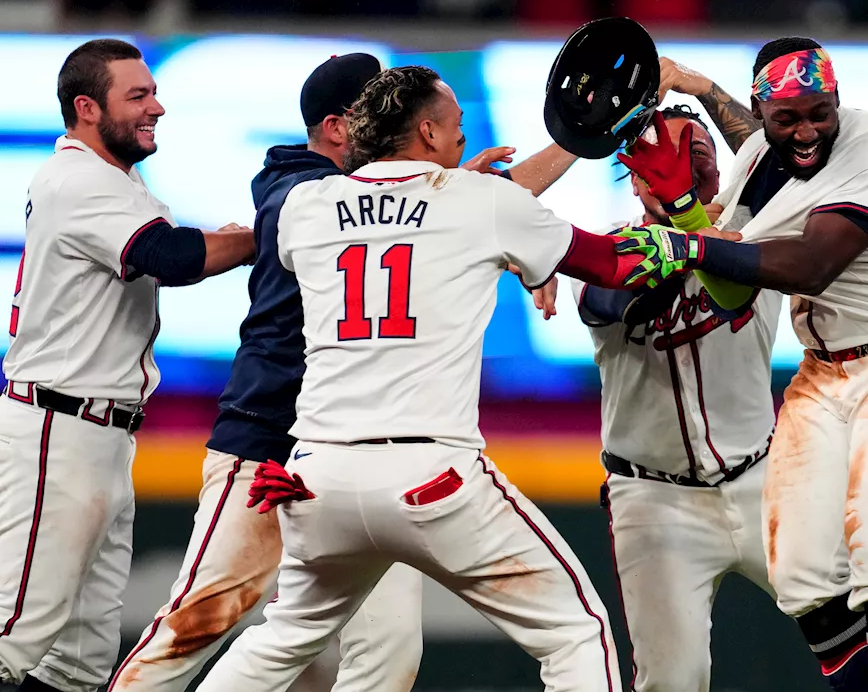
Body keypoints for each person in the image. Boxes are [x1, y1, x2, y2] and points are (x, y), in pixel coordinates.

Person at [193, 65, 678, 692]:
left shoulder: (304, 206)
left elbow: (388, 229)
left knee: (281, 640)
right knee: (576, 631)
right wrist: (689, 241)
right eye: (453, 125)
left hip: (317, 475)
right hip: (430, 476)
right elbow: (612, 265)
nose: (461, 137)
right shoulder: (479, 201)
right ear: (425, 130)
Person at [108, 53, 581, 692]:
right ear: (339, 128)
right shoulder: (296, 191)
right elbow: (451, 216)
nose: (394, 120)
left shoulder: (355, 194)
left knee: (385, 656)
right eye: (377, 108)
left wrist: (456, 194)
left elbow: (451, 218)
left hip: (348, 454)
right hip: (267, 442)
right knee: (196, 623)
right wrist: (469, 197)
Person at [618, 38, 868, 692]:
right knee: (802, 578)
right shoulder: (761, 158)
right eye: (788, 116)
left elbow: (814, 263)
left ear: (839, 100)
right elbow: (731, 288)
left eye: (819, 111)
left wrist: (684, 237)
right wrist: (686, 210)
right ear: (763, 111)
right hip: (826, 374)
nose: (807, 130)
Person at [0, 39, 255, 692]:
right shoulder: (76, 177)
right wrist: (275, 227)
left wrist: (248, 235)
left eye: (153, 91)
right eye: (137, 95)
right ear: (87, 108)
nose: (157, 106)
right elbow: (172, 257)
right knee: (11, 634)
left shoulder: (115, 178)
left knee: (78, 663)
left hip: (98, 431)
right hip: (57, 424)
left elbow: (175, 250)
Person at [542, 104, 784, 692]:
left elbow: (779, 158)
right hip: (656, 498)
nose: (684, 160)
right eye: (664, 154)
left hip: (766, 480)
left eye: (696, 150)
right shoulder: (610, 251)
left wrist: (700, 88)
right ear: (636, 173)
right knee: (673, 682)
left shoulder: (760, 233)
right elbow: (610, 298)